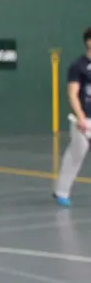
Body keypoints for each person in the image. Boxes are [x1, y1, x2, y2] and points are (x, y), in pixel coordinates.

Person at [53, 27, 91, 207]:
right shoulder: (78, 66)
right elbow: (73, 94)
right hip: (83, 118)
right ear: (88, 42)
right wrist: (81, 117)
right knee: (79, 151)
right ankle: (61, 191)